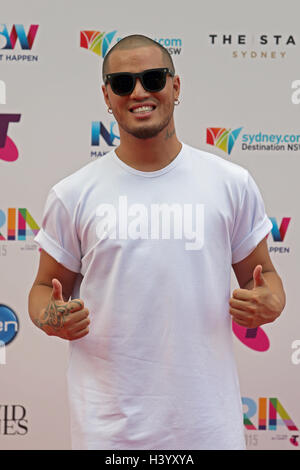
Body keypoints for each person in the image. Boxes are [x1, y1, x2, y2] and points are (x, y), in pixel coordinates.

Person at [28, 34, 285, 450]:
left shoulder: (230, 183)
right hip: (108, 432)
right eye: (123, 83)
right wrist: (52, 316)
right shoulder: (72, 194)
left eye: (152, 78)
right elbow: (42, 290)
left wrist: (271, 302)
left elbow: (266, 278)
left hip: (207, 428)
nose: (140, 92)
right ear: (107, 96)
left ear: (176, 86)